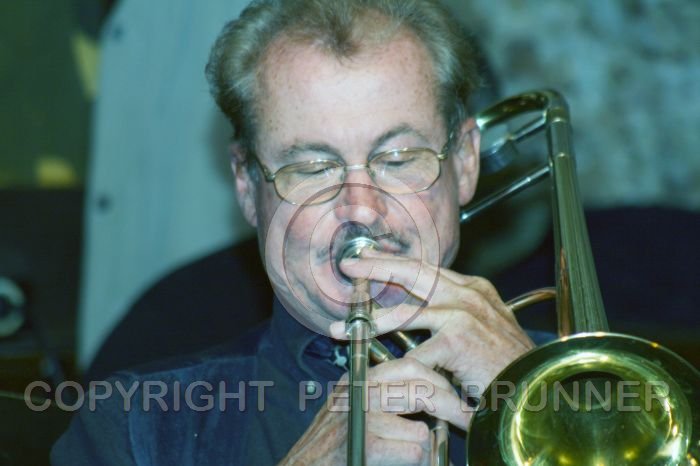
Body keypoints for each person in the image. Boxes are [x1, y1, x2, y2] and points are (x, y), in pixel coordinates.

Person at [51, 0, 535, 464]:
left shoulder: (572, 381)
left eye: (398, 158)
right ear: (247, 186)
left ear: (465, 162)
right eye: (313, 168)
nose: (362, 209)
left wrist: (548, 408)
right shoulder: (134, 424)